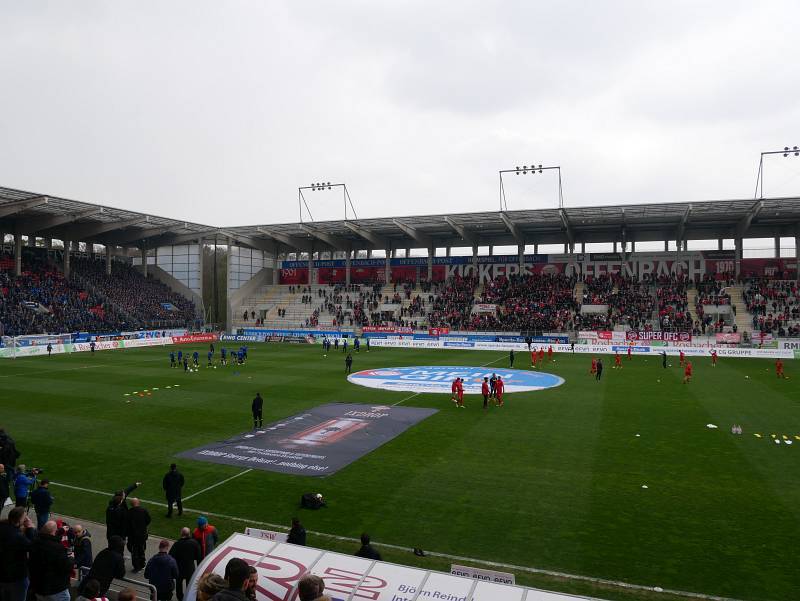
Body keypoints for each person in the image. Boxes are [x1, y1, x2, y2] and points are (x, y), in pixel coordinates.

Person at [29, 520, 72, 601]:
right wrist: (71, 558)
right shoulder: (57, 548)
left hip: (38, 587)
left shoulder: (35, 542)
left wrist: (60, 531)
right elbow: (66, 567)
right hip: (55, 589)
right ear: (54, 532)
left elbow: (48, 537)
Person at [0, 507, 36, 601]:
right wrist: (31, 529)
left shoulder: (3, 527)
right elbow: (33, 547)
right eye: (24, 517)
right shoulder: (17, 536)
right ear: (19, 520)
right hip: (16, 578)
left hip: (3, 574)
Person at [170, 528, 201, 601]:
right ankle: (188, 597)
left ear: (181, 534)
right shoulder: (194, 543)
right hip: (190, 568)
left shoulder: (177, 544)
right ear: (189, 534)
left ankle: (180, 597)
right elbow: (198, 556)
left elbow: (171, 556)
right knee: (189, 584)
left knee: (178, 584)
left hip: (179, 567)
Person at [125, 498, 151, 573]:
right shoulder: (144, 510)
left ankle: (136, 567)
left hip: (133, 536)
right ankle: (142, 563)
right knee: (142, 549)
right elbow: (148, 520)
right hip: (142, 535)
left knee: (134, 552)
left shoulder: (129, 512)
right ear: (138, 503)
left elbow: (127, 525)